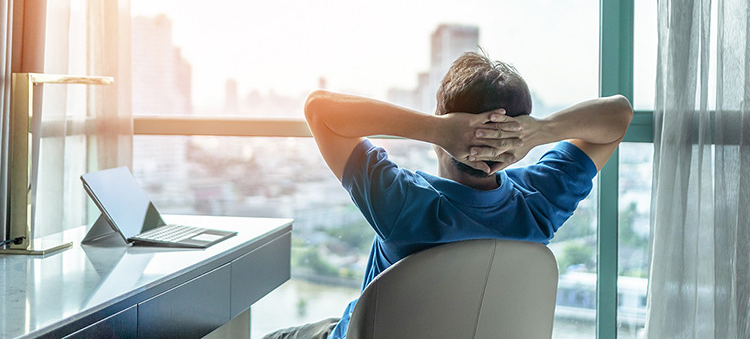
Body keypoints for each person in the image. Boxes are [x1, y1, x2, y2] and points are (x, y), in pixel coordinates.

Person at [263, 52, 633, 339]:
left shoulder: (404, 203)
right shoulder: (539, 202)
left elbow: (319, 109)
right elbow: (619, 114)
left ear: (445, 121)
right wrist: (538, 132)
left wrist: (437, 130)